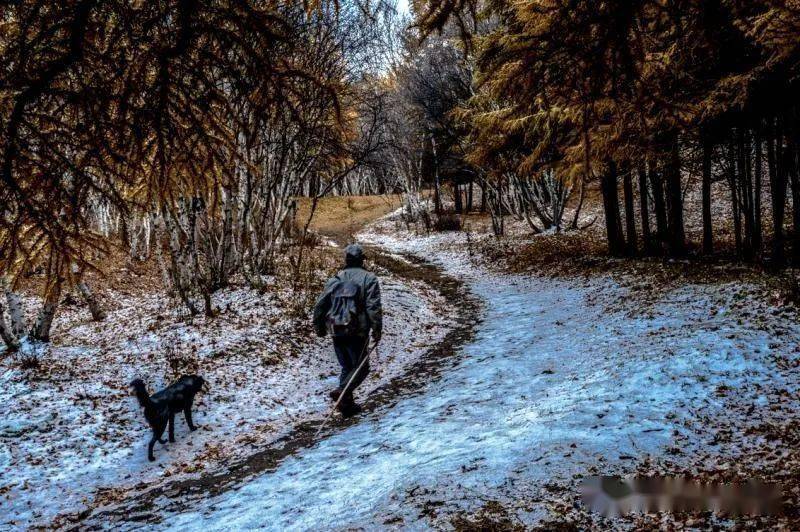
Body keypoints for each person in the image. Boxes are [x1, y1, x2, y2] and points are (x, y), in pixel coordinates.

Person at [313, 243, 382, 417]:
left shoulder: (335, 279)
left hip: (336, 329)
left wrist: (319, 327)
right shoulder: (369, 278)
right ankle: (341, 391)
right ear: (361, 260)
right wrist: (377, 329)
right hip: (357, 331)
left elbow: (320, 305)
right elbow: (372, 307)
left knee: (347, 366)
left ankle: (346, 405)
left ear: (346, 260)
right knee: (362, 368)